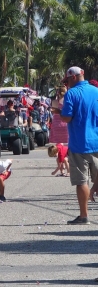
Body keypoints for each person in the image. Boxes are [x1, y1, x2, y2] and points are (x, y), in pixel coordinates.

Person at [52, 66, 98, 224]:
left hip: (79, 144)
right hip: (97, 141)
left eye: (67, 81)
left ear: (72, 78)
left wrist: (58, 112)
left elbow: (67, 118)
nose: (67, 85)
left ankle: (84, 216)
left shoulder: (71, 93)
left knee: (81, 181)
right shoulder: (96, 91)